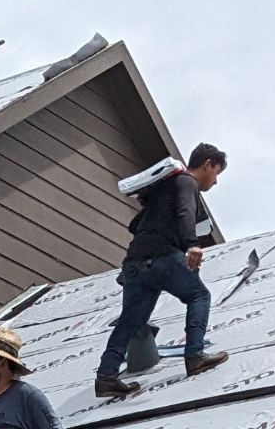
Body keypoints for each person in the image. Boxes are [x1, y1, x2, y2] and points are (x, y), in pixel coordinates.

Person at [97, 143, 230, 400]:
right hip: (162, 256)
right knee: (199, 296)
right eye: (217, 174)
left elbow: (135, 225)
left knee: (130, 320)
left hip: (135, 262)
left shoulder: (162, 190)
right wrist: (192, 244)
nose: (215, 182)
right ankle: (195, 356)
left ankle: (106, 377)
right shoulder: (186, 182)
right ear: (209, 164)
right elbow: (185, 212)